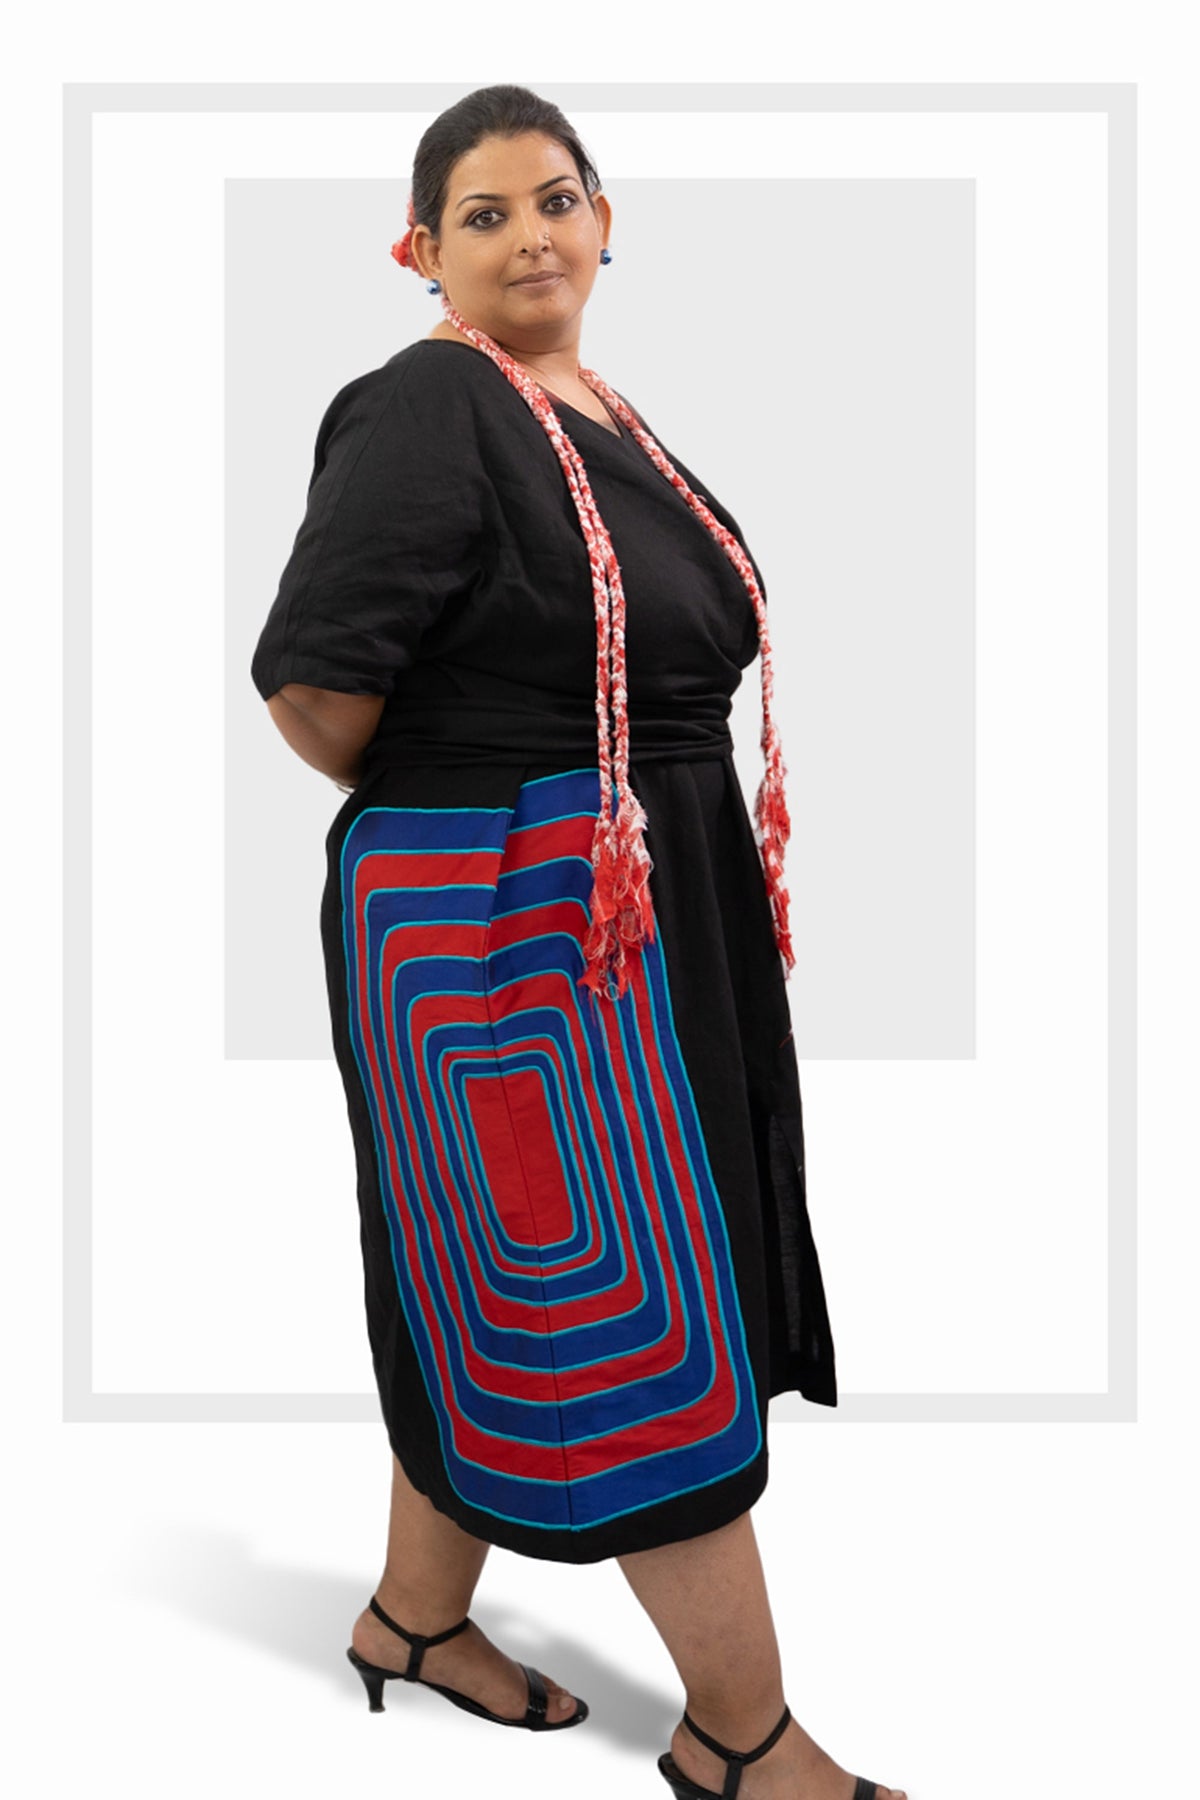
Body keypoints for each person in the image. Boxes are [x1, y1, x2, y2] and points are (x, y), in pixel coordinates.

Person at [250, 83, 905, 1800]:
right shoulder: (429, 402)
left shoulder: (600, 413)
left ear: (607, 221)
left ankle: (411, 1617)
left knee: (500, 1269)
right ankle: (743, 1739)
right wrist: (494, 800)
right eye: (483, 213)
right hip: (508, 917)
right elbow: (316, 687)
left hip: (641, 890)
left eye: (557, 198)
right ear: (421, 250)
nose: (530, 234)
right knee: (617, 1295)